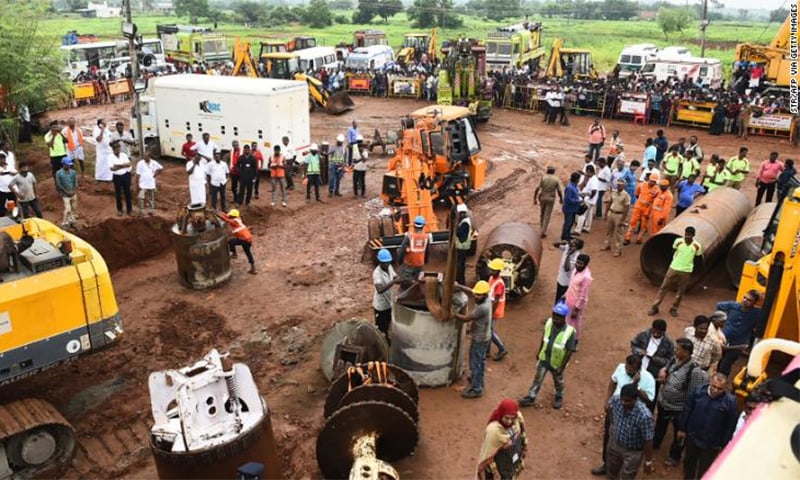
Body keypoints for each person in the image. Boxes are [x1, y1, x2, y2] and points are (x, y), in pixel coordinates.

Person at [591, 355, 656, 476]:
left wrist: (636, 387)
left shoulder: (648, 379)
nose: (627, 371)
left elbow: (649, 400)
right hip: (616, 411)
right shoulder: (621, 369)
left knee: (629, 458)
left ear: (639, 369)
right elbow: (613, 381)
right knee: (609, 438)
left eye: (631, 370)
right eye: (627, 368)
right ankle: (607, 465)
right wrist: (607, 401)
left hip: (634, 417)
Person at [653, 338, 708, 467]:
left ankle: (675, 456)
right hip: (664, 403)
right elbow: (667, 366)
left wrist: (687, 414)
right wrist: (663, 370)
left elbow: (693, 394)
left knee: (679, 434)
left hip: (679, 409)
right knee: (660, 425)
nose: (675, 351)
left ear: (686, 352)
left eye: (678, 349)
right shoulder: (675, 359)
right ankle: (655, 443)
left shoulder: (694, 371)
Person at [679, 373, 739, 479]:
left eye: (719, 389)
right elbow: (687, 409)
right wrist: (682, 428)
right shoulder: (698, 391)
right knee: (689, 463)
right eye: (714, 386)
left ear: (725, 388)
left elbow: (730, 425)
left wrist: (723, 444)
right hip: (693, 437)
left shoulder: (730, 402)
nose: (715, 390)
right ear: (710, 382)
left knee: (705, 470)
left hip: (711, 444)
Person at [518, 302, 576, 409]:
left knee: (558, 381)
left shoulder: (570, 332)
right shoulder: (549, 323)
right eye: (554, 316)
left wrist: (561, 367)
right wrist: (539, 352)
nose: (554, 319)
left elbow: (569, 351)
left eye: (557, 318)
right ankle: (531, 396)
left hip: (556, 362)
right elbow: (543, 338)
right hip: (544, 358)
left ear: (563, 318)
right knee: (538, 378)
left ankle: (559, 396)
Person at [604, 384, 656, 479]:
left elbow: (648, 440)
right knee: (611, 471)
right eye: (622, 399)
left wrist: (648, 461)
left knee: (627, 476)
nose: (623, 403)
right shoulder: (616, 400)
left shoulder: (644, 416)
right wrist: (612, 424)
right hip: (615, 444)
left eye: (627, 401)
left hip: (633, 452)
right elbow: (609, 407)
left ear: (635, 399)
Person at [648, 226, 701, 317]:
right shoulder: (678, 241)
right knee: (663, 288)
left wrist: (689, 267)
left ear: (693, 235)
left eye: (689, 235)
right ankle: (654, 307)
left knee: (680, 291)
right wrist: (676, 261)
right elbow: (673, 251)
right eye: (686, 234)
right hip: (673, 268)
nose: (687, 236)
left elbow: (697, 258)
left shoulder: (697, 246)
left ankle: (674, 308)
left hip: (686, 270)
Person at [455, 280, 493, 399]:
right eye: (476, 294)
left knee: (475, 363)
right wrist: (458, 286)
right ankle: (478, 380)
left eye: (478, 295)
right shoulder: (485, 298)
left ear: (484, 295)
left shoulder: (483, 308)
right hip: (483, 337)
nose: (475, 296)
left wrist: (452, 314)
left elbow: (466, 318)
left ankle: (476, 389)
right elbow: (471, 292)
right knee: (479, 361)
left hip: (479, 339)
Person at [477, 399, 527, 480]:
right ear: (501, 414)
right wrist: (495, 472)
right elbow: (488, 456)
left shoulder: (517, 417)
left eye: (512, 418)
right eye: (506, 418)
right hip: (499, 469)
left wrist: (524, 448)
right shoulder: (493, 430)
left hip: (511, 465)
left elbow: (523, 432)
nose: (509, 421)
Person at [716, 290, 762, 375]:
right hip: (724, 339)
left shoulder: (756, 313)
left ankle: (721, 380)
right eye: (745, 298)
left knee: (726, 364)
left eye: (749, 300)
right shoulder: (733, 305)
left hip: (739, 343)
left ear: (754, 302)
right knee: (718, 361)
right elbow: (719, 306)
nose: (745, 300)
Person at [563, 253, 592, 344]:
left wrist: (576, 308)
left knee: (575, 323)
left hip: (576, 304)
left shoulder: (586, 277)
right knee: (568, 321)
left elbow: (583, 296)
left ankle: (575, 341)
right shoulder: (575, 270)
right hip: (569, 300)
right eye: (577, 262)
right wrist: (565, 294)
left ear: (585, 264)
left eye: (580, 263)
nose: (577, 265)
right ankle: (567, 338)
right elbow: (571, 284)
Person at [218, 209, 257, 275]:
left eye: (230, 215)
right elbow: (226, 216)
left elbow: (225, 219)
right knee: (248, 252)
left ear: (233, 216)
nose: (229, 216)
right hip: (248, 239)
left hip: (244, 239)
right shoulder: (238, 219)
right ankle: (253, 268)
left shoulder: (234, 222)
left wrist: (216, 214)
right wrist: (217, 211)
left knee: (230, 242)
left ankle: (234, 254)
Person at [624, 173, 659, 245]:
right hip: (638, 207)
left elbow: (656, 200)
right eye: (651, 180)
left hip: (647, 209)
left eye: (654, 181)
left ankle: (639, 239)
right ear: (649, 179)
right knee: (632, 223)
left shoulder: (657, 190)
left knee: (643, 225)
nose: (652, 182)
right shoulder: (641, 185)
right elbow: (636, 194)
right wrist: (641, 201)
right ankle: (627, 238)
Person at [396, 215, 432, 285]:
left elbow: (402, 251)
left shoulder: (409, 236)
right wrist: (425, 261)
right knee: (416, 282)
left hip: (409, 264)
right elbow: (427, 251)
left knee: (405, 282)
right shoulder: (426, 237)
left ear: (414, 225)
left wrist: (399, 262)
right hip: (419, 264)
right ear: (423, 225)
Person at [373, 248, 399, 341]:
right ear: (379, 261)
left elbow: (395, 277)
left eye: (388, 262)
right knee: (381, 328)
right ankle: (382, 343)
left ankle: (388, 340)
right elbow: (379, 289)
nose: (386, 264)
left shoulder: (389, 267)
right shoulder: (377, 273)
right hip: (381, 307)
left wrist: (401, 279)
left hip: (389, 303)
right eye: (384, 262)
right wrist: (393, 282)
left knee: (389, 323)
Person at [602, 178, 631, 257]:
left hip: (619, 215)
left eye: (620, 185)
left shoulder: (626, 195)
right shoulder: (613, 192)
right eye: (618, 184)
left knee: (619, 233)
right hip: (611, 213)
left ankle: (618, 250)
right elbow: (610, 202)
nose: (619, 186)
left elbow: (627, 208)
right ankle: (607, 244)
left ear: (624, 186)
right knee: (609, 231)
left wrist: (622, 220)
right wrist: (605, 214)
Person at [486, 258, 508, 361]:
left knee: (490, 331)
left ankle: (501, 348)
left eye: (493, 270)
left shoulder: (499, 283)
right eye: (490, 269)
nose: (490, 271)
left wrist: (491, 312)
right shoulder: (491, 278)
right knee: (488, 330)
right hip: (491, 308)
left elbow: (496, 300)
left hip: (495, 310)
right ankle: (487, 351)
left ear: (498, 271)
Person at [553, 237, 583, 304]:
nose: (571, 243)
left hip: (566, 282)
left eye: (574, 243)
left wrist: (568, 255)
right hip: (560, 279)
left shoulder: (576, 256)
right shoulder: (567, 247)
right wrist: (561, 242)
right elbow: (554, 244)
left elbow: (567, 268)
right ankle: (555, 313)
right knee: (558, 298)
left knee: (563, 301)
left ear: (577, 248)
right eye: (571, 241)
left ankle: (559, 314)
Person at [135, 150, 163, 215]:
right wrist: (137, 184)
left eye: (146, 156)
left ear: (150, 157)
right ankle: (141, 211)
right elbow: (137, 175)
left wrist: (155, 174)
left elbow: (161, 168)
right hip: (142, 183)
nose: (145, 157)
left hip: (151, 184)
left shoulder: (154, 163)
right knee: (141, 197)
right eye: (144, 156)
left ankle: (151, 210)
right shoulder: (140, 163)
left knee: (151, 198)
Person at [109, 142, 133, 216]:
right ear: (113, 149)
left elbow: (129, 164)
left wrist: (118, 165)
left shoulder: (123, 155)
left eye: (119, 148)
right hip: (117, 177)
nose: (118, 150)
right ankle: (119, 210)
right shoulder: (110, 157)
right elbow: (112, 168)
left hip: (126, 175)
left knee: (127, 193)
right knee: (118, 194)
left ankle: (129, 210)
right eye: (116, 149)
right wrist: (123, 165)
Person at [55, 157, 78, 228]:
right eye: (67, 165)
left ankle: (72, 221)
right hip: (65, 195)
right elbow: (59, 185)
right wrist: (67, 192)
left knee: (74, 209)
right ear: (63, 164)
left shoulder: (73, 172)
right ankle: (64, 223)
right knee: (68, 209)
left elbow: (75, 182)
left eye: (69, 165)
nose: (69, 166)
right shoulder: (59, 173)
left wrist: (73, 191)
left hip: (73, 193)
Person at [575, 165, 599, 234]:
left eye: (587, 172)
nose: (586, 174)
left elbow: (594, 191)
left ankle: (577, 230)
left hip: (588, 200)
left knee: (582, 214)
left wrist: (588, 197)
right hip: (590, 200)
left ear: (589, 172)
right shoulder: (592, 178)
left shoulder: (594, 180)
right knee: (589, 215)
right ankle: (587, 228)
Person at [454, 204, 473, 285]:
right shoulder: (465, 221)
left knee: (460, 265)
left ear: (462, 213)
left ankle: (461, 281)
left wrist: (456, 230)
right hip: (463, 246)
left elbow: (462, 237)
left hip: (462, 247)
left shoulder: (465, 223)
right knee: (460, 264)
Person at [561, 172, 582, 241]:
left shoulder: (574, 186)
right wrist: (578, 201)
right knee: (568, 222)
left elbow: (575, 195)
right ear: (576, 179)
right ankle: (564, 236)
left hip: (573, 208)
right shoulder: (570, 187)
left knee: (571, 222)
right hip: (569, 208)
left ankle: (568, 234)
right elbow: (568, 199)